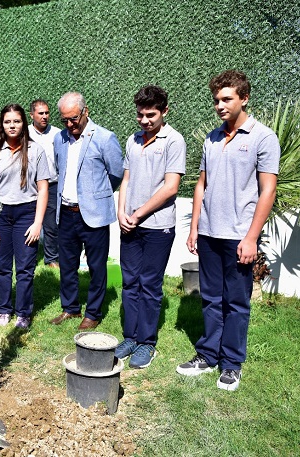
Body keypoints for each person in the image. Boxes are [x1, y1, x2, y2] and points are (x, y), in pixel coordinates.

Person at [177, 70, 279, 391]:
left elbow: (268, 191)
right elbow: (201, 185)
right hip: (208, 233)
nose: (219, 105)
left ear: (244, 98)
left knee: (236, 302)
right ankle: (207, 355)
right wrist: (194, 227)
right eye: (216, 100)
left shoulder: (263, 137)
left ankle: (232, 364)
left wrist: (251, 237)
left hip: (239, 237)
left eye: (226, 99)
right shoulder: (211, 137)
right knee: (210, 298)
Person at [115, 86, 186, 368]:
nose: (145, 121)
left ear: (164, 111)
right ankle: (130, 337)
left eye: (151, 115)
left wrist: (139, 213)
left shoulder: (174, 141)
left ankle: (147, 343)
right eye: (141, 115)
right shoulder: (133, 140)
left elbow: (171, 187)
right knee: (130, 283)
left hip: (158, 227)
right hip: (129, 224)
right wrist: (121, 212)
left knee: (150, 285)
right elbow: (127, 180)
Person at [49, 92, 123, 330]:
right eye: (65, 120)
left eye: (74, 119)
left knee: (96, 267)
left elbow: (117, 174)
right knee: (67, 264)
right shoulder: (60, 139)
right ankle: (70, 308)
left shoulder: (104, 138)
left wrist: (96, 197)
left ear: (85, 112)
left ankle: (93, 313)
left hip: (94, 214)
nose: (70, 125)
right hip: (66, 212)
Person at [0, 104, 50, 329]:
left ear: (24, 123)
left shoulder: (36, 151)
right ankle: (4, 310)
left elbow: (43, 188)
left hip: (27, 213)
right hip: (0, 214)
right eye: (7, 122)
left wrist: (38, 223)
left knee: (25, 268)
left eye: (16, 121)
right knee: (2, 267)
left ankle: (23, 313)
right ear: (2, 125)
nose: (12, 125)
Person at [28, 99, 61, 268]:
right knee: (27, 222)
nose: (45, 116)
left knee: (51, 225)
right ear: (31, 115)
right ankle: (28, 257)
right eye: (41, 113)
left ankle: (51, 259)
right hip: (28, 186)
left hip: (52, 185)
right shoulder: (24, 134)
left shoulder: (58, 134)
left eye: (47, 113)